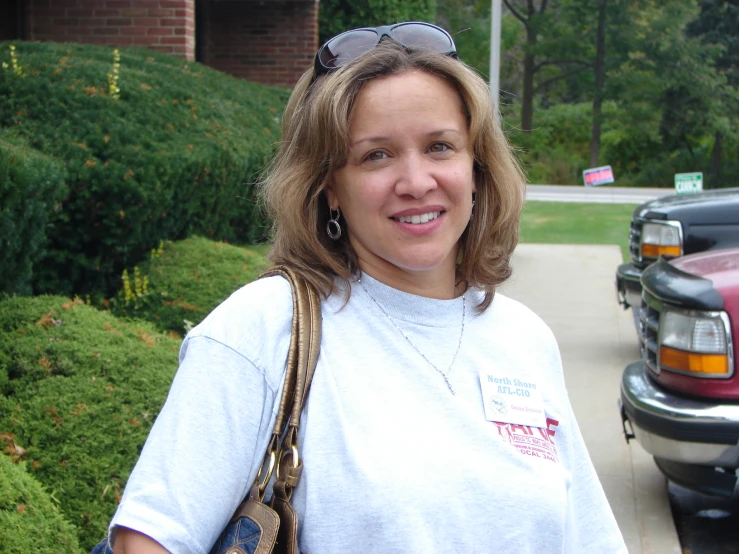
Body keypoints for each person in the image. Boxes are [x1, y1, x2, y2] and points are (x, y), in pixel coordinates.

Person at [109, 22, 627, 553]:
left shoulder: (522, 338)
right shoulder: (265, 329)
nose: (416, 181)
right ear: (329, 186)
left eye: (440, 147)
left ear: (477, 168)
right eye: (376, 155)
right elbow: (148, 539)